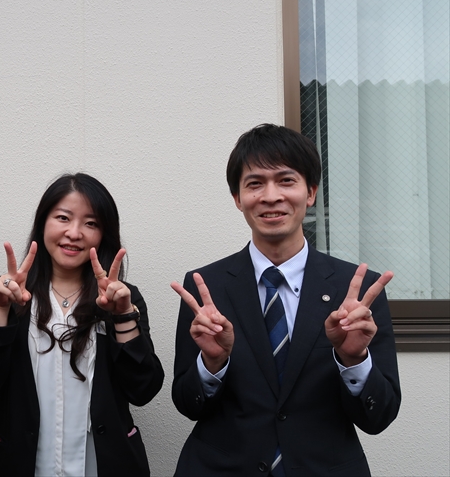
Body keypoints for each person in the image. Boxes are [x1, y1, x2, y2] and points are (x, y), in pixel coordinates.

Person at [171, 124, 400, 476]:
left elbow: (379, 416)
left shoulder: (357, 290)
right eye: (255, 184)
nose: (271, 196)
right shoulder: (206, 286)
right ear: (237, 198)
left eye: (286, 181)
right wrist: (212, 364)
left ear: (311, 192)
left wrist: (353, 359)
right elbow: (188, 405)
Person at [0, 173, 164, 476]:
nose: (74, 233)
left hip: (103, 464)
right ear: (43, 223)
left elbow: (143, 390)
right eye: (63, 218)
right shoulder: (6, 294)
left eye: (91, 223)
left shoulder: (123, 298)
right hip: (22, 463)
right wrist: (0, 309)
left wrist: (123, 316)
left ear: (104, 234)